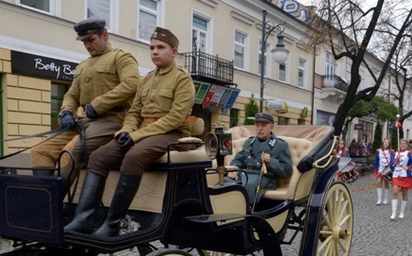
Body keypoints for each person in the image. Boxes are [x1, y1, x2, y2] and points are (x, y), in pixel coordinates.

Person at [65, 27, 195, 237]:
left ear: (174, 52)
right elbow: (134, 111)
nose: (154, 52)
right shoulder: (147, 79)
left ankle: (112, 224)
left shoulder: (182, 78)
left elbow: (175, 118)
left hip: (172, 133)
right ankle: (83, 219)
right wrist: (126, 130)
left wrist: (136, 136)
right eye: (152, 47)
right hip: (142, 131)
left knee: (134, 156)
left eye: (160, 47)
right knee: (99, 156)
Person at [30, 18, 140, 191]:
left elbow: (132, 84)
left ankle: (55, 203)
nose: (88, 45)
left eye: (91, 40)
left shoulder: (121, 57)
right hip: (84, 122)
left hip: (113, 120)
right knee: (41, 150)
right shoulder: (82, 65)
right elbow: (72, 95)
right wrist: (66, 112)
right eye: (84, 42)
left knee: (72, 150)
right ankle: (43, 201)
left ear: (104, 35)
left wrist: (98, 105)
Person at [226, 113, 292, 205]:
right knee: (224, 182)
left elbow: (287, 170)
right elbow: (237, 160)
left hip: (264, 177)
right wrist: (233, 170)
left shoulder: (280, 145)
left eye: (263, 125)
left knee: (248, 186)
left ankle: (244, 213)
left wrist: (270, 161)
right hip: (243, 175)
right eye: (257, 125)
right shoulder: (249, 142)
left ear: (272, 127)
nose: (260, 128)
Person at [390, 139, 412, 220]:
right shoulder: (395, 153)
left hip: (405, 175)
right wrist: (396, 159)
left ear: (407, 145)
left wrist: (409, 167)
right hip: (396, 175)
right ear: (399, 145)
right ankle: (393, 213)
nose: (402, 145)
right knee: (395, 192)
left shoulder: (409, 153)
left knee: (404, 195)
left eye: (404, 144)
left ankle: (402, 212)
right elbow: (391, 166)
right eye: (401, 144)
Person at [373, 138, 394, 205]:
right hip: (380, 169)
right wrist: (375, 169)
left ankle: (385, 198)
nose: (386, 144)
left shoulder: (391, 151)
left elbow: (393, 160)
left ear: (389, 144)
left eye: (387, 143)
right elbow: (376, 161)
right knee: (379, 183)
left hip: (387, 170)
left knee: (386, 183)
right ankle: (379, 199)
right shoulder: (378, 151)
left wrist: (390, 166)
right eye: (385, 142)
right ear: (383, 143)